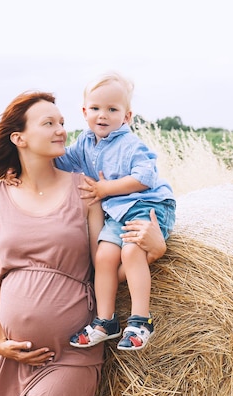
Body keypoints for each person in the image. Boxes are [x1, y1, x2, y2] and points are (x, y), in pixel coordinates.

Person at [0, 91, 167, 396]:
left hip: (70, 355)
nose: (61, 130)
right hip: (13, 358)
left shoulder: (84, 190)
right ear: (19, 137)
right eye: (48, 123)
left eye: (62, 122)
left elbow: (103, 269)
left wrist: (154, 251)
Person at [59, 71, 176, 351]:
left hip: (147, 205)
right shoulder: (85, 143)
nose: (103, 115)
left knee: (131, 251)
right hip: (118, 211)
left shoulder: (130, 144)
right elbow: (62, 162)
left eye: (112, 109)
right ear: (85, 112)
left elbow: (145, 177)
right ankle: (105, 321)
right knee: (104, 256)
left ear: (127, 116)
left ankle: (140, 321)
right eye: (96, 108)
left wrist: (105, 189)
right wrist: (23, 164)